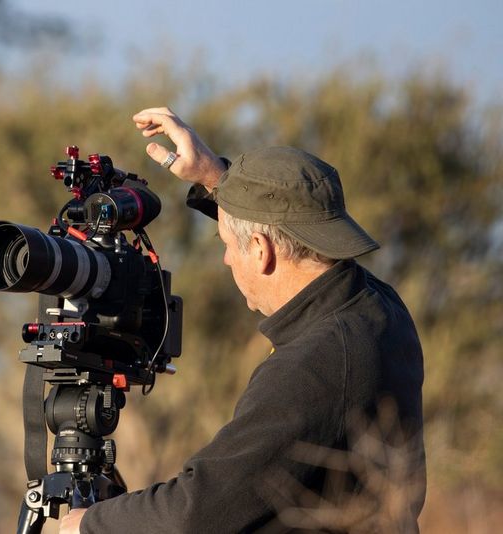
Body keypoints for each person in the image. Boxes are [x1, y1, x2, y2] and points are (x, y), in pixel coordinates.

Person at [59, 107, 426, 533]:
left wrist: (89, 524)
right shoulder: (378, 308)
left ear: (261, 249)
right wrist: (215, 177)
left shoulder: (316, 364)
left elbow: (198, 513)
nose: (225, 258)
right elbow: (279, 225)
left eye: (227, 244)